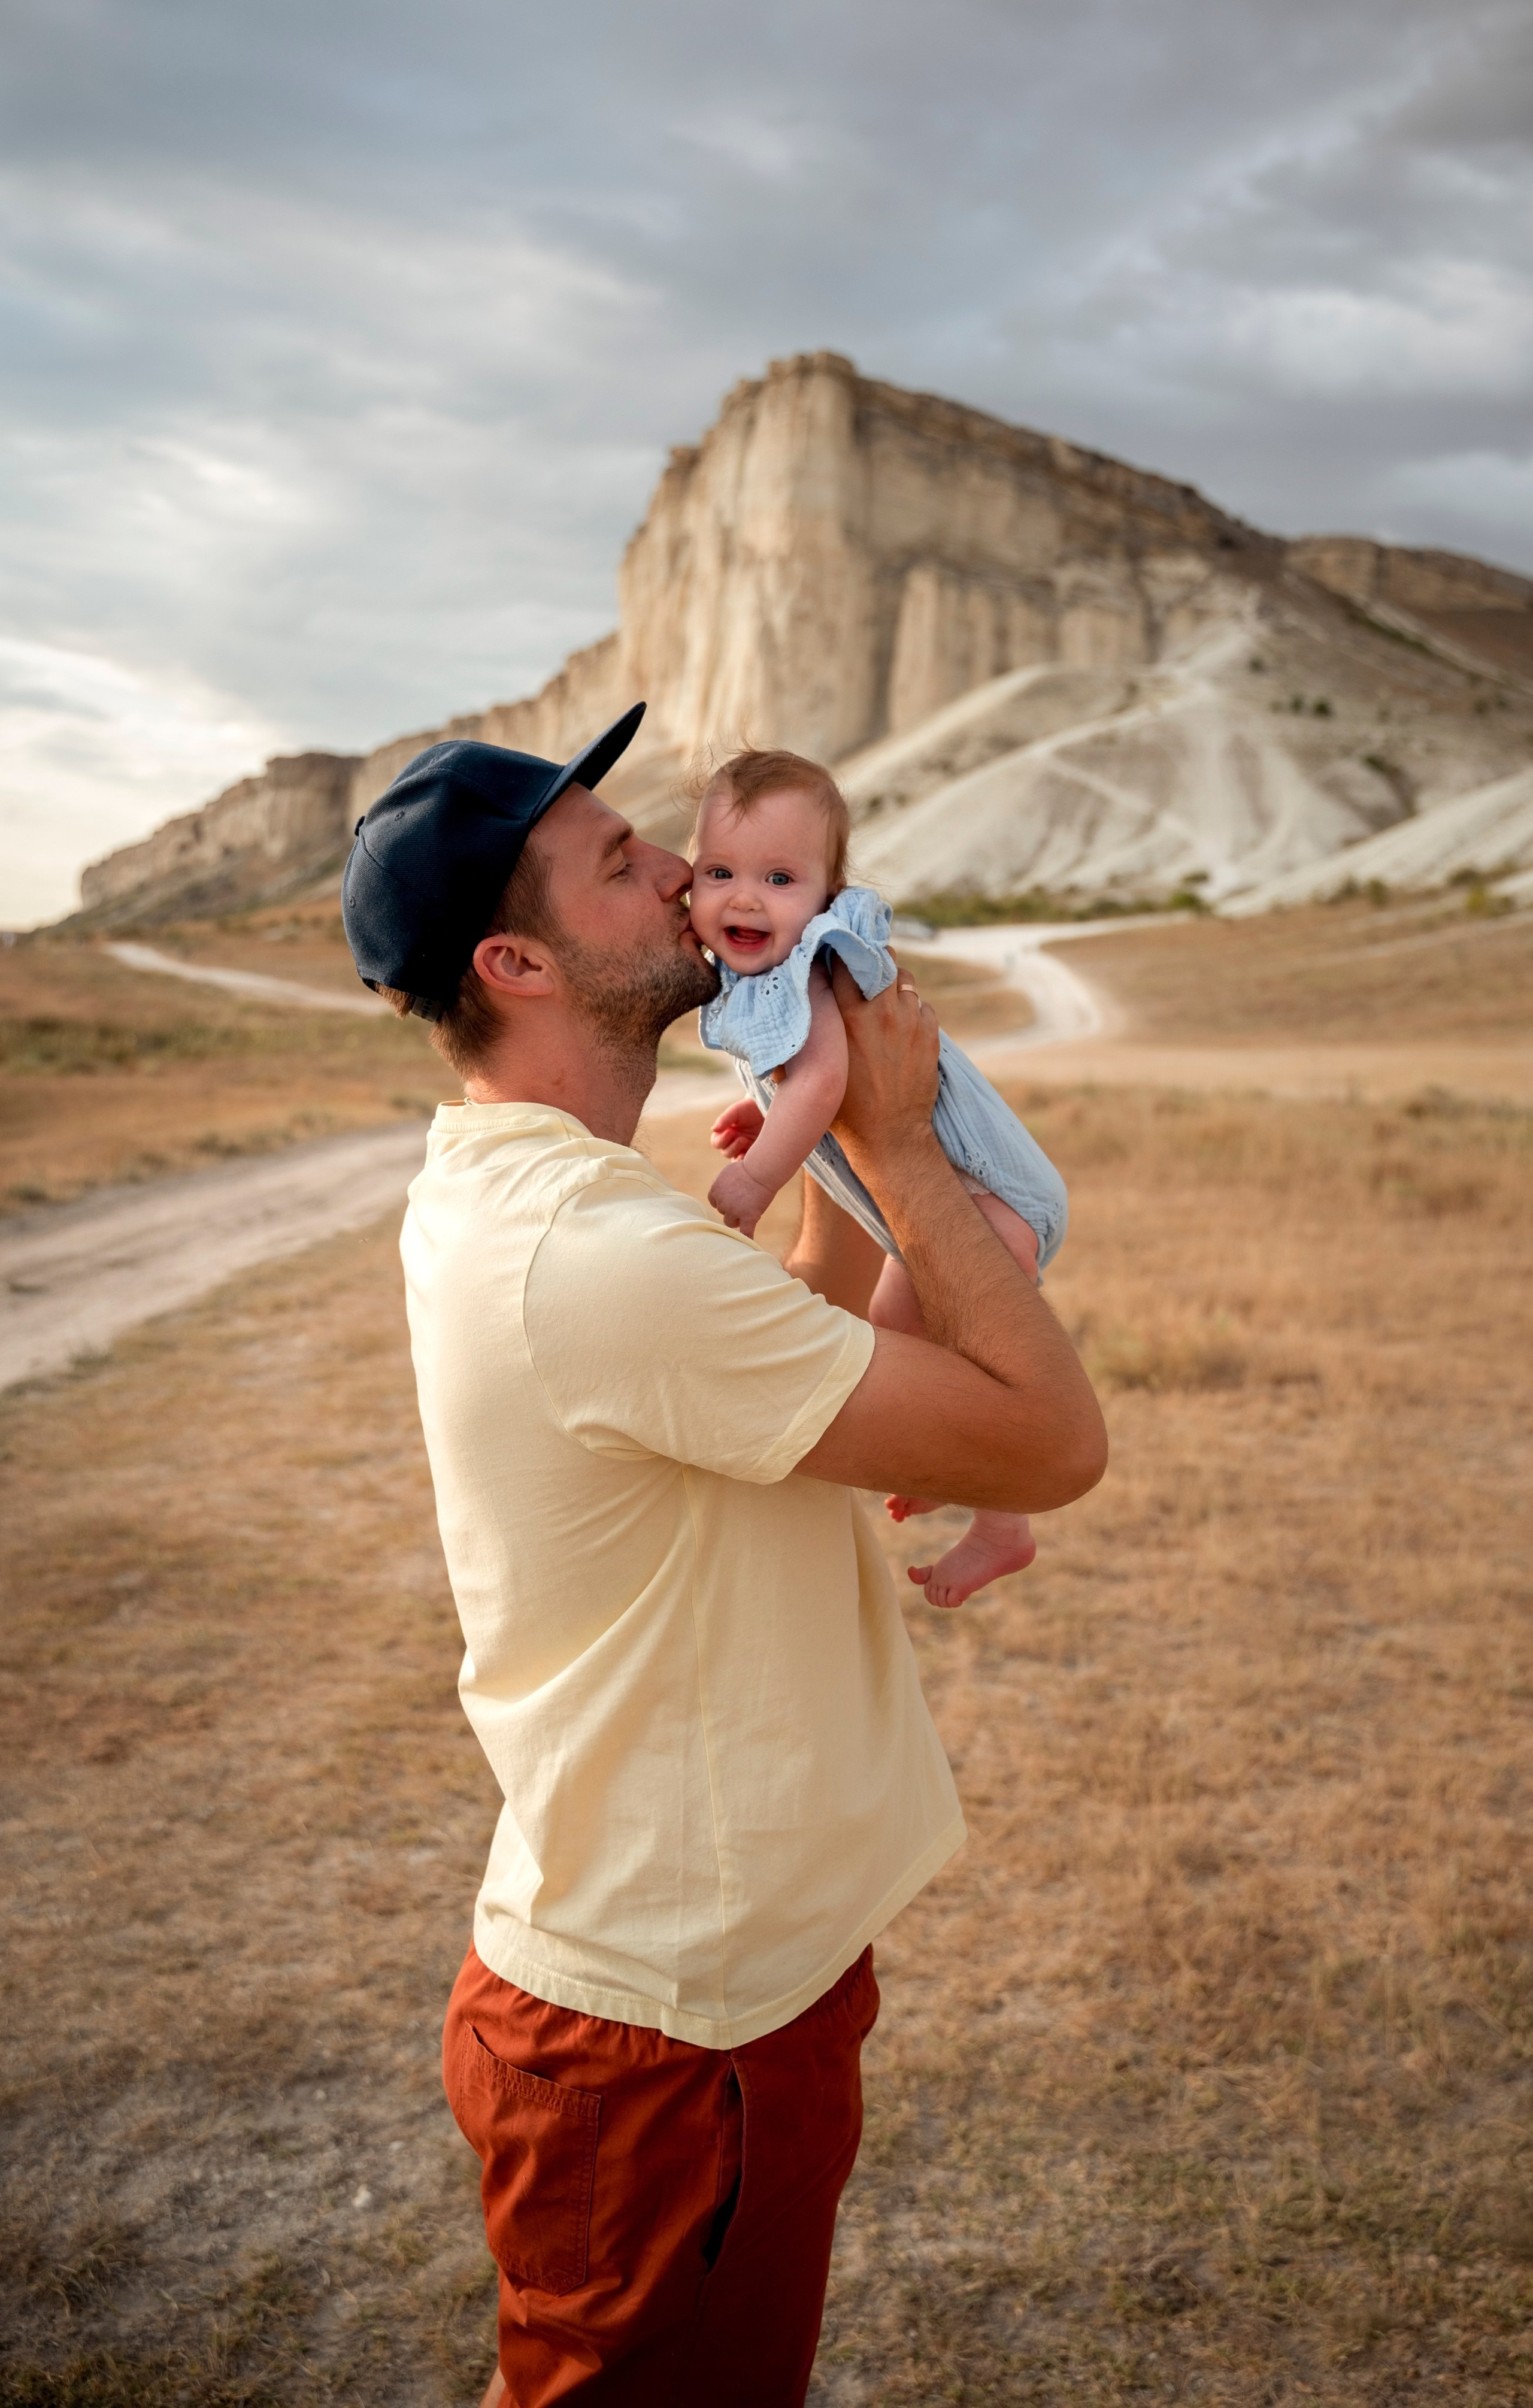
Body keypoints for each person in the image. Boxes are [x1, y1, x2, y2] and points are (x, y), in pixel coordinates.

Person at [341, 703, 1107, 2407]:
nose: (687, 876)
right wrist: (896, 1137)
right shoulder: (599, 1254)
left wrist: (818, 1135)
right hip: (669, 2039)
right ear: (518, 961)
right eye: (625, 863)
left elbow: (797, 1334)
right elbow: (1052, 1442)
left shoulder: (534, 1191)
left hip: (704, 1979)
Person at [689, 747, 1068, 1610]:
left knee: (908, 1338)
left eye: (779, 878)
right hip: (956, 1193)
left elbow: (826, 1080)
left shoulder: (815, 968)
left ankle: (1002, 1523)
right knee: (914, 1344)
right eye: (719, 872)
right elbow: (820, 1085)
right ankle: (951, 1465)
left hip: (987, 1193)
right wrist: (770, 1109)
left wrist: (759, 1176)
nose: (744, 898)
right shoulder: (765, 976)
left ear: (827, 896)